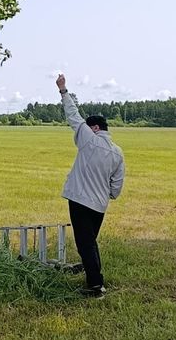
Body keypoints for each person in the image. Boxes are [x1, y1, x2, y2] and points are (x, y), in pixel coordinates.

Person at [56, 73, 125, 298]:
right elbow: (117, 185)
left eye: (87, 127)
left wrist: (63, 91)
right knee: (90, 242)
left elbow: (73, 116)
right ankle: (89, 269)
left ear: (94, 128)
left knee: (85, 244)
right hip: (100, 205)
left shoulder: (89, 139)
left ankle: (96, 286)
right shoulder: (117, 152)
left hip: (80, 201)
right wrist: (108, 195)